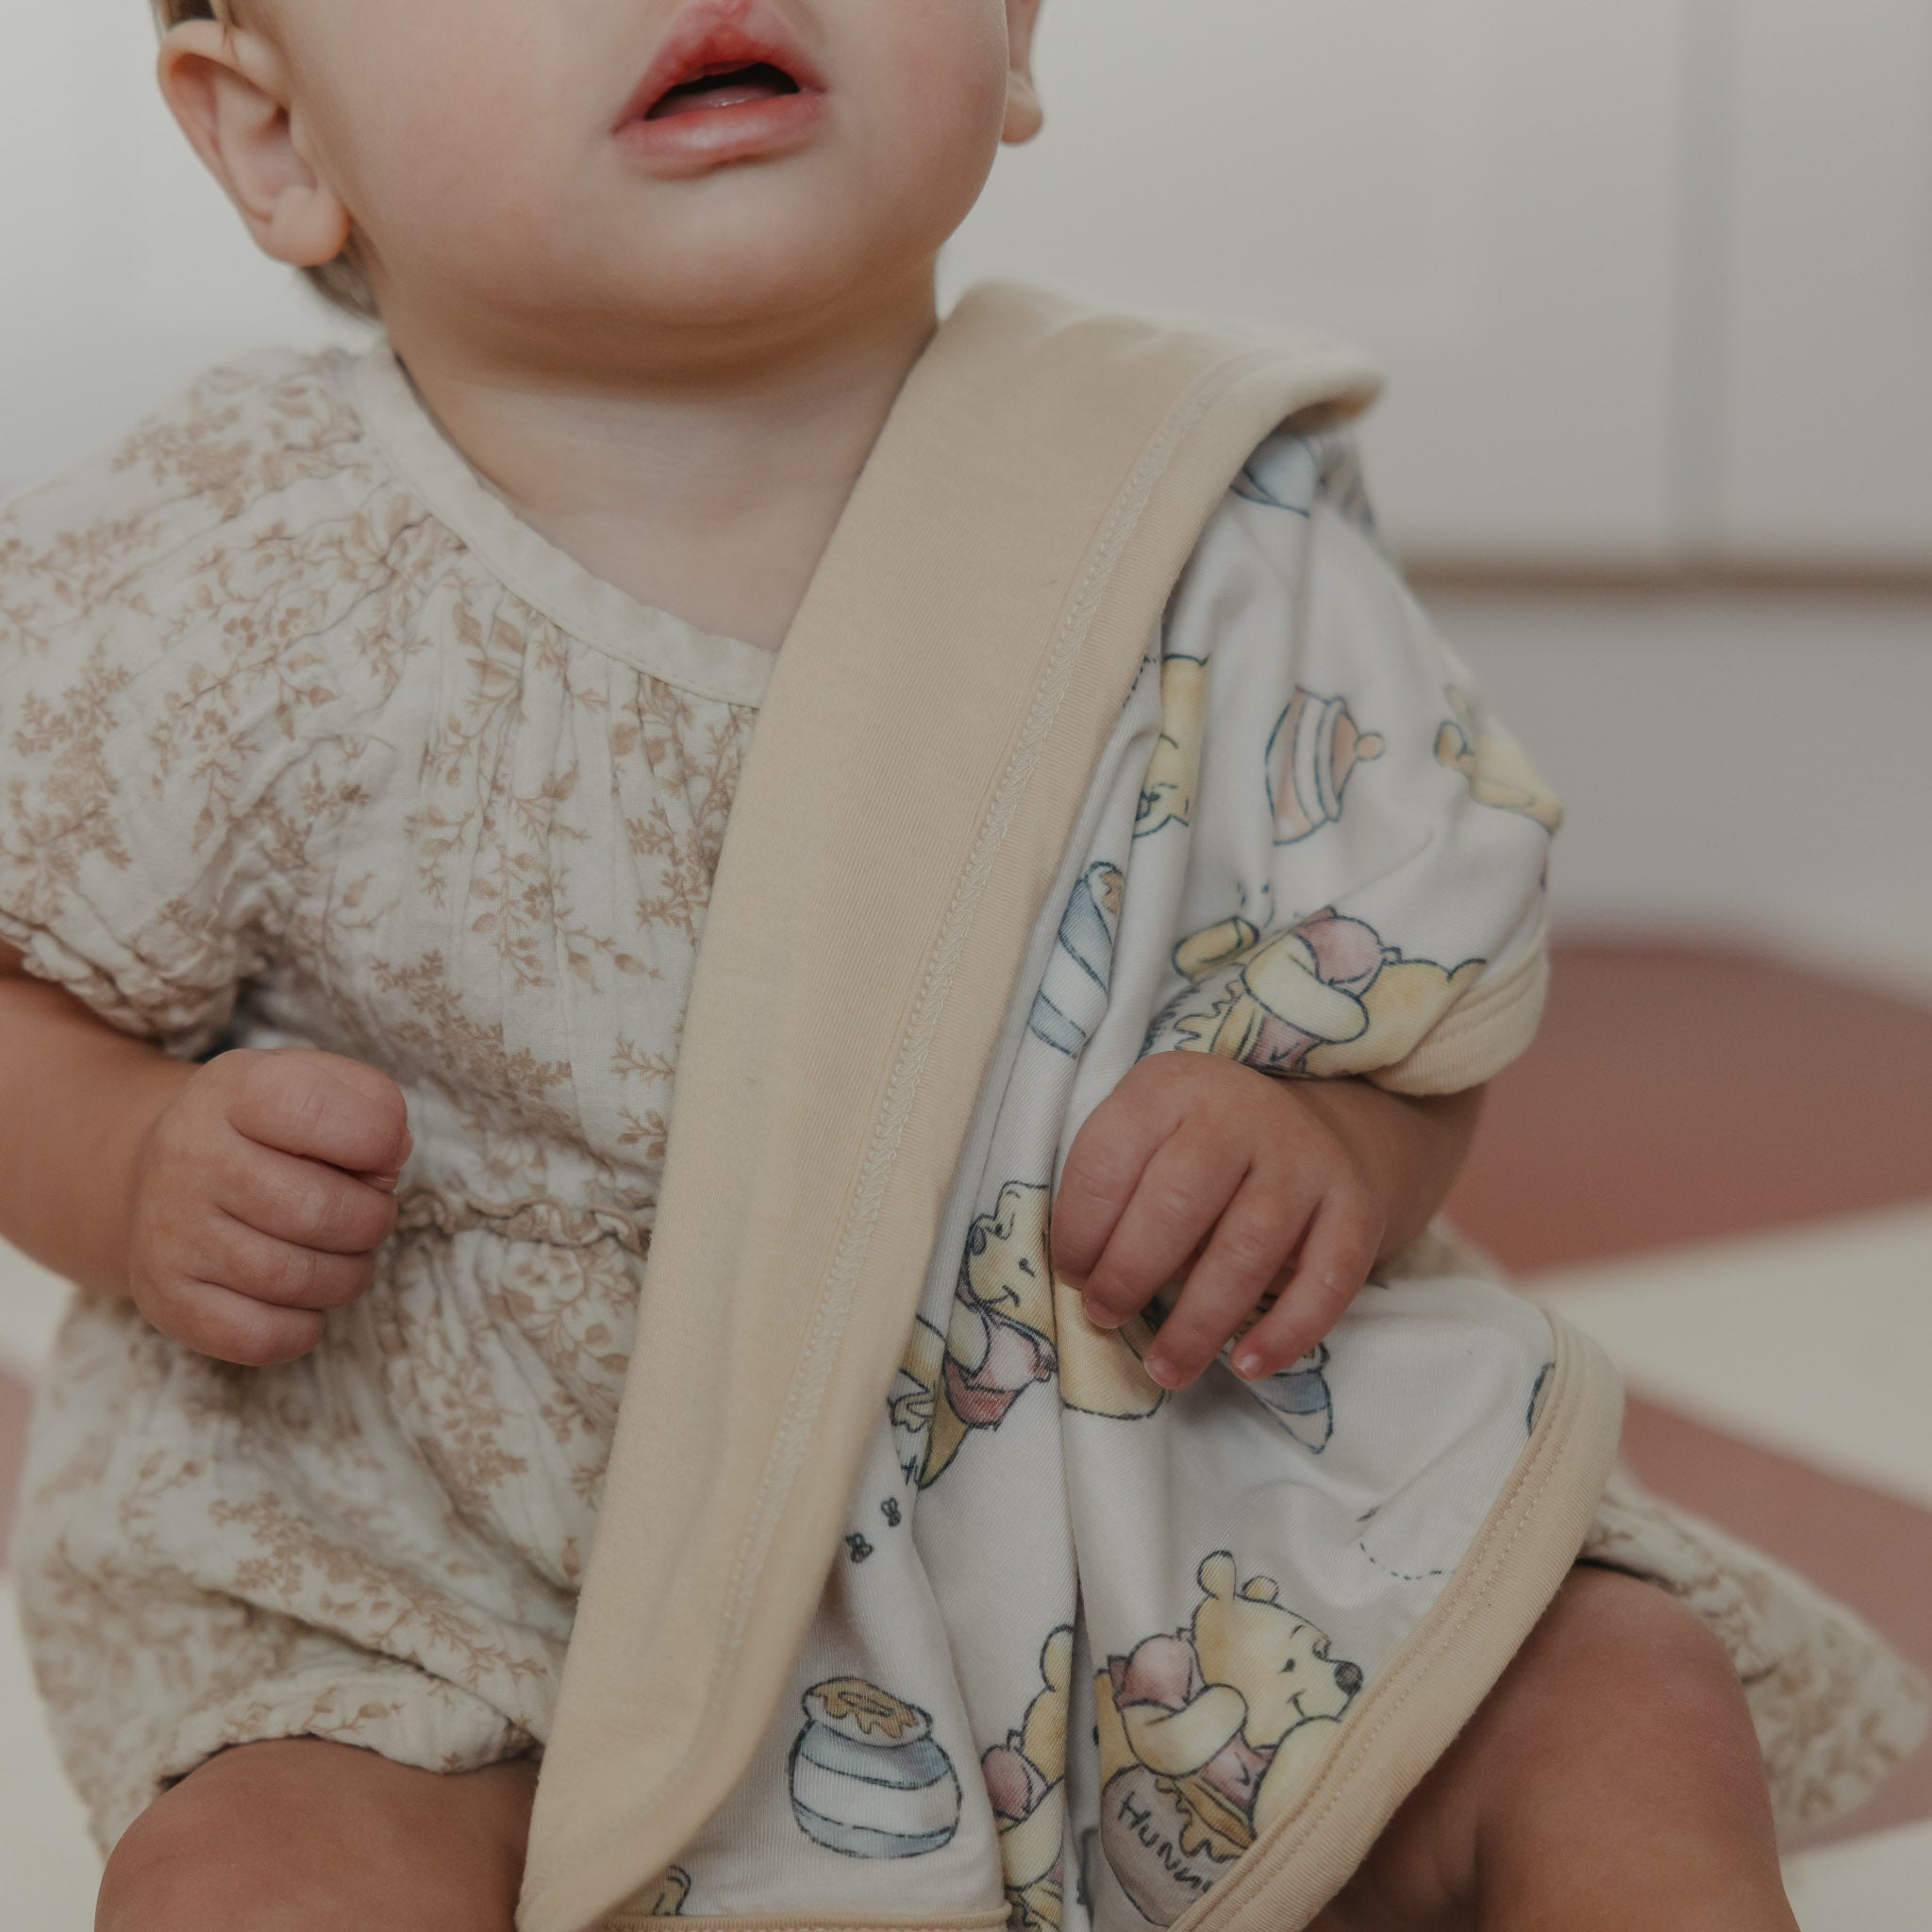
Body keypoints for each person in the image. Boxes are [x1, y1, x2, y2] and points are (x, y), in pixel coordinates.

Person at [0, 5, 1917, 1929]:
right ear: (274, 138)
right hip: (450, 1571)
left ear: (1007, 31)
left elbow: (1403, 1019)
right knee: (261, 1871)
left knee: (1623, 1696)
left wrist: (1330, 1146)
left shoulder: (1181, 507)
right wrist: (131, 1160)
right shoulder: (223, 575)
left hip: (1147, 1534)